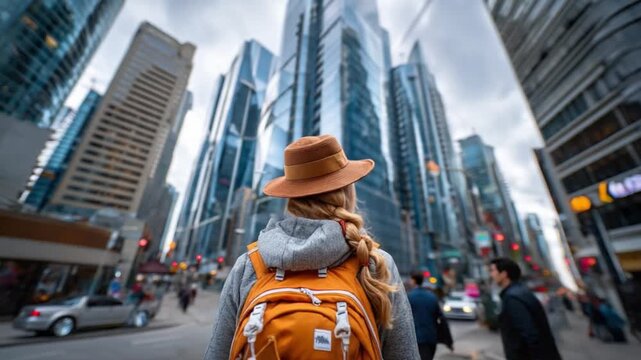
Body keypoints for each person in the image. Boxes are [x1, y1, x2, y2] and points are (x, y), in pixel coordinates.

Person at [204, 135, 420, 359]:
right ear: (347, 191)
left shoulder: (249, 263)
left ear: (290, 196)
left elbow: (217, 353)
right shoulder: (374, 262)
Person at [489, 258, 561, 360]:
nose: (491, 275)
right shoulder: (520, 292)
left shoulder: (513, 298)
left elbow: (529, 334)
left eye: (493, 271)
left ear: (504, 274)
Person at [408, 272, 453, 360]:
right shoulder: (432, 297)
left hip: (414, 338)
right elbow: (442, 319)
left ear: (414, 281)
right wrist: (449, 341)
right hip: (430, 337)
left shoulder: (409, 297)